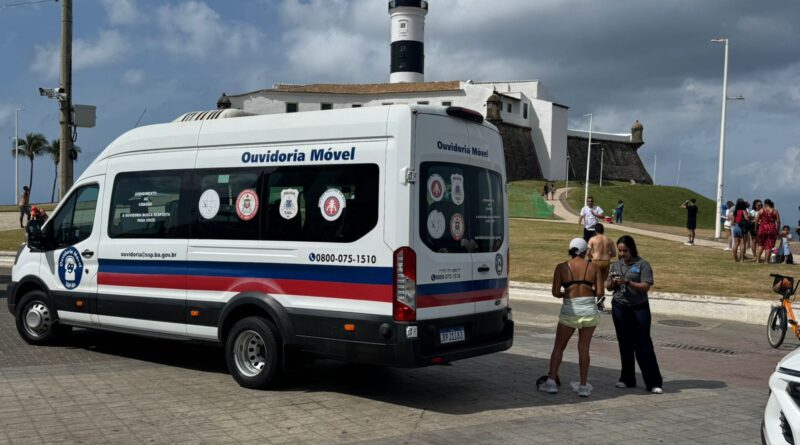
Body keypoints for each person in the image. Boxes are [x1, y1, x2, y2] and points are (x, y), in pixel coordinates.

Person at [538, 238, 603, 398]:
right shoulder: (593, 267)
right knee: (584, 348)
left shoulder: (562, 267)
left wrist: (567, 294)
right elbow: (600, 292)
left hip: (570, 308)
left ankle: (551, 381)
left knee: (559, 347)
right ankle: (583, 386)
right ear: (585, 251)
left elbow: (555, 292)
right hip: (588, 309)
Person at [606, 235, 663, 394]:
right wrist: (612, 282)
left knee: (643, 344)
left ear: (632, 249)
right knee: (624, 343)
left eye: (625, 251)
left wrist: (628, 282)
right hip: (620, 306)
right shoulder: (615, 265)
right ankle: (627, 378)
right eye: (619, 251)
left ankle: (653, 382)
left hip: (639, 308)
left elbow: (646, 286)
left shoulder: (642, 264)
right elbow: (608, 286)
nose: (622, 254)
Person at [587, 223, 616, 310]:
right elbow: (614, 253)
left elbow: (588, 253)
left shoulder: (592, 239)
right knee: (602, 282)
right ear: (603, 230)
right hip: (606, 261)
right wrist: (606, 256)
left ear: (595, 230)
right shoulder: (609, 240)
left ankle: (590, 300)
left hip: (596, 261)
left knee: (593, 281)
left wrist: (592, 257)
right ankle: (600, 302)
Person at [756, 199, 781, 264]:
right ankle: (766, 261)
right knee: (769, 246)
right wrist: (777, 230)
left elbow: (756, 220)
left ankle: (758, 260)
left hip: (762, 229)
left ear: (765, 204)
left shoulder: (761, 210)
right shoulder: (775, 211)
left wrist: (755, 228)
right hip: (771, 230)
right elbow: (778, 221)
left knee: (761, 245)